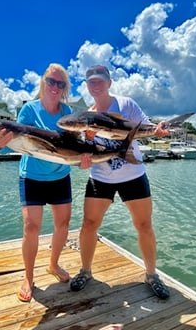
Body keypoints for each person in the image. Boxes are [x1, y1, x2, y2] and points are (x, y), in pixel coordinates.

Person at [70, 65, 170, 299]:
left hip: (132, 174)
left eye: (100, 81)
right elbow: (84, 152)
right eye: (91, 82)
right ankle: (85, 271)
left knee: (144, 225)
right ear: (87, 86)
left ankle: (152, 275)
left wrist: (159, 130)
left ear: (109, 83)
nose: (95, 85)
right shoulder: (84, 117)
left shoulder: (126, 104)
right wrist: (82, 159)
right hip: (100, 177)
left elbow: (147, 127)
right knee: (88, 224)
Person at [0, 63, 73, 302]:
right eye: (51, 81)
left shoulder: (68, 114)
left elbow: (73, 146)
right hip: (32, 177)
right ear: (43, 82)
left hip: (60, 175)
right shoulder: (28, 111)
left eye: (60, 83)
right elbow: (9, 147)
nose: (55, 87)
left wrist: (85, 158)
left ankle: (53, 265)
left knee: (63, 225)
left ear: (65, 88)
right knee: (31, 228)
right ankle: (28, 276)